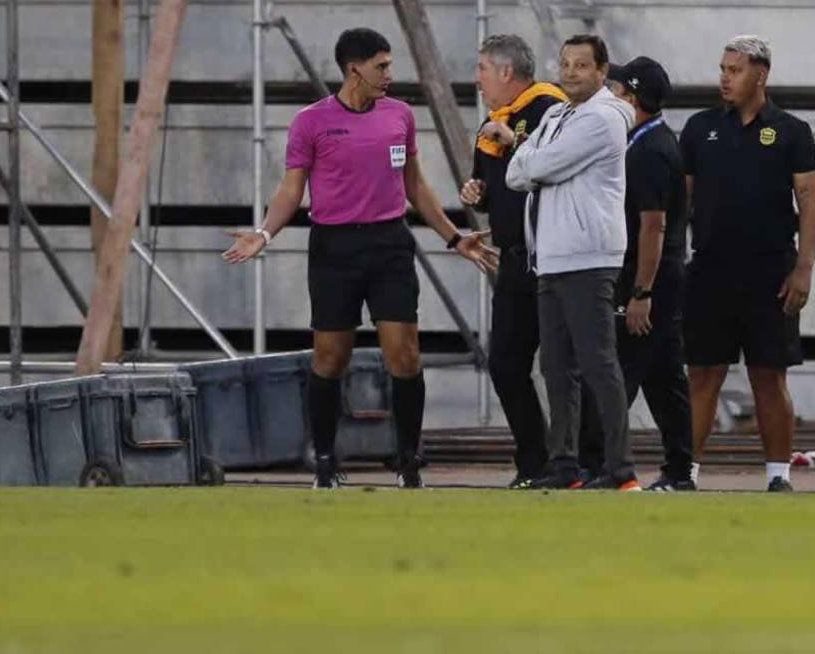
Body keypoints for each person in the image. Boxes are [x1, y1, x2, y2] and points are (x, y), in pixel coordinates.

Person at [222, 28, 497, 490]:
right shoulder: (311, 122)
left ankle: (409, 462)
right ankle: (326, 462)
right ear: (355, 69)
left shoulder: (400, 116)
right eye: (382, 67)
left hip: (389, 245)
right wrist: (265, 233)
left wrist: (455, 237)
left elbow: (416, 185)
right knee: (330, 358)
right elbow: (293, 189)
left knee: (405, 356)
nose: (390, 75)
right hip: (333, 248)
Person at [680, 35, 815, 492]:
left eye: (735, 70)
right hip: (709, 268)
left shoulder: (791, 131)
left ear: (760, 75)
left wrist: (804, 267)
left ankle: (778, 475)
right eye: (722, 68)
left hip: (769, 271)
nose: (725, 78)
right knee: (702, 372)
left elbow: (812, 201)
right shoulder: (700, 128)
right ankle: (685, 471)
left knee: (769, 373)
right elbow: (678, 200)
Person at [505, 34, 640, 491]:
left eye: (581, 65)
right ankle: (565, 467)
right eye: (565, 64)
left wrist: (532, 162)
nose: (569, 73)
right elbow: (514, 171)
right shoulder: (557, 113)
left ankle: (621, 470)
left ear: (602, 72)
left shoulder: (603, 119)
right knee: (556, 367)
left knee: (599, 363)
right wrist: (532, 162)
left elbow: (537, 168)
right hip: (552, 257)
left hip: (589, 256)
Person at [459, 34, 567, 489]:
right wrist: (476, 195)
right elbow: (491, 184)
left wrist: (514, 142)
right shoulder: (493, 121)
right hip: (515, 259)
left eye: (482, 68)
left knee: (566, 365)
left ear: (506, 72)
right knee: (505, 362)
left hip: (557, 259)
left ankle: (577, 462)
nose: (477, 78)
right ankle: (534, 460)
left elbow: (558, 169)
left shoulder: (552, 109)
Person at [601, 56, 696, 492]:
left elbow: (653, 225)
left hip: (649, 276)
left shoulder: (650, 150)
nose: (609, 96)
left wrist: (641, 291)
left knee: (622, 371)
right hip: (658, 274)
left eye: (616, 90)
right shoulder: (643, 141)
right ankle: (679, 469)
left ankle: (609, 466)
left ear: (631, 97)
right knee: (663, 376)